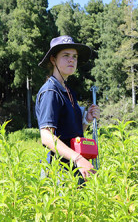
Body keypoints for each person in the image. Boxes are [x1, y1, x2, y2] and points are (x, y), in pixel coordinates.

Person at [35, 35, 100, 184]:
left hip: (74, 170)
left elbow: (71, 133)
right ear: (53, 60)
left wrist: (86, 120)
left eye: (74, 56)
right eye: (66, 56)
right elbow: (46, 136)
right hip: (59, 174)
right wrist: (78, 159)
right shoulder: (51, 92)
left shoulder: (68, 91)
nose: (71, 60)